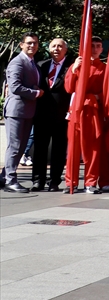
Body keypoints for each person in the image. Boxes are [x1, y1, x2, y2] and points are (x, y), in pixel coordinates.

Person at [65, 35, 106, 193]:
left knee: (93, 150)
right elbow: (69, 88)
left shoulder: (104, 68)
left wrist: (95, 97)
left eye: (98, 46)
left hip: (93, 112)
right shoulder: (77, 65)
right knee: (73, 149)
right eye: (92, 45)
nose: (95, 49)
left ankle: (90, 182)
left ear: (102, 49)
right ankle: (71, 182)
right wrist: (75, 69)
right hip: (76, 111)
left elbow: (108, 92)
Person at [3, 33, 42, 193]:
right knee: (15, 146)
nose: (32, 46)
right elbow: (15, 87)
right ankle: (10, 180)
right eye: (29, 43)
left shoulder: (33, 63)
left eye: (35, 43)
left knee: (20, 147)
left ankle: (4, 177)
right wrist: (36, 93)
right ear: (21, 45)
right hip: (16, 111)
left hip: (27, 111)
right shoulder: (17, 62)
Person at [33, 36, 72, 192]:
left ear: (66, 50)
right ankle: (38, 180)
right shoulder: (40, 66)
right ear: (49, 49)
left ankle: (54, 181)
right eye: (53, 46)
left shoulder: (71, 67)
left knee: (59, 149)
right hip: (42, 114)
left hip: (61, 115)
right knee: (39, 149)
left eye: (60, 46)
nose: (56, 49)